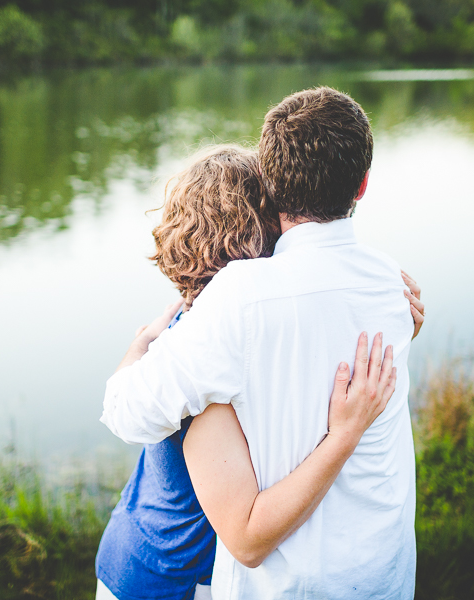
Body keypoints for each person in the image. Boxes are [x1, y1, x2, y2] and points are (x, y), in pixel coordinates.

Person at [101, 87, 420, 598]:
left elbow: (127, 413)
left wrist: (140, 347)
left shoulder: (238, 304)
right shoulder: (389, 283)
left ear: (272, 187)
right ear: (363, 185)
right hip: (385, 574)